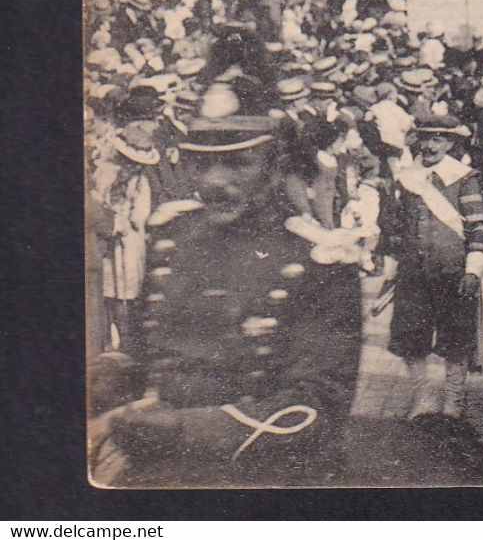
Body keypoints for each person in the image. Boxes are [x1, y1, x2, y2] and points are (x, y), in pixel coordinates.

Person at [89, 78, 365, 486]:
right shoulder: (173, 236)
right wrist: (101, 377)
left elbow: (314, 409)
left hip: (262, 479)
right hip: (160, 462)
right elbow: (146, 353)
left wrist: (174, 429)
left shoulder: (320, 260)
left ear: (274, 168)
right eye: (203, 163)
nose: (215, 180)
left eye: (238, 163)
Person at [377, 105, 483, 419]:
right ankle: (423, 399)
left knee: (456, 338)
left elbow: (478, 225)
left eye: (438, 140)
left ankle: (453, 401)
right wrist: (391, 265)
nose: (429, 146)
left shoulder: (463, 178)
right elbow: (395, 225)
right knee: (412, 336)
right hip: (414, 271)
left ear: (450, 144)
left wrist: (473, 269)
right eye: (425, 139)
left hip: (452, 270)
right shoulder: (407, 178)